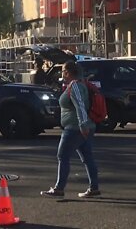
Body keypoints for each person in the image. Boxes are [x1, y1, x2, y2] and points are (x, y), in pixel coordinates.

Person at [40, 60, 100, 198]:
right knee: (87, 158)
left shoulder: (75, 86)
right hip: (84, 127)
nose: (62, 74)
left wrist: (83, 124)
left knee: (63, 156)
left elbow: (80, 106)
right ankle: (94, 187)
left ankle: (59, 188)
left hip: (74, 128)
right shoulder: (82, 84)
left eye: (63, 71)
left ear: (67, 72)